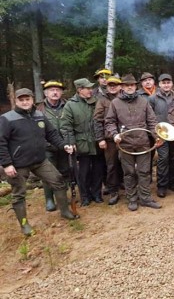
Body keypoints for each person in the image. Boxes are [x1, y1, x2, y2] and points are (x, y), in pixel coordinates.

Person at [1, 88, 77, 236]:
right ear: (16, 101)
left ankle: (65, 211)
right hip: (17, 164)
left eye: (27, 99)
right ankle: (24, 225)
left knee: (58, 181)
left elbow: (51, 134)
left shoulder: (39, 115)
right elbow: (1, 142)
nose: (25, 102)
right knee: (19, 194)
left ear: (32, 99)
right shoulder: (7, 119)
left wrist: (63, 145)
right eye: (21, 100)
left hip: (40, 160)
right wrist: (6, 164)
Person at [105, 74, 163, 211]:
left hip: (143, 143)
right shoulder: (115, 103)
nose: (129, 87)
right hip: (125, 144)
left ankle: (145, 198)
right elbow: (109, 122)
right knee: (129, 172)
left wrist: (157, 137)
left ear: (135, 86)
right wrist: (115, 134)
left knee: (144, 172)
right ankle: (132, 199)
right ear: (122, 87)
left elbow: (152, 121)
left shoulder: (144, 101)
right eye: (126, 85)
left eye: (131, 85)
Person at [61, 78, 105, 206]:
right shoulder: (70, 105)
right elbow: (66, 127)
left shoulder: (96, 102)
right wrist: (71, 142)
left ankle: (97, 194)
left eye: (91, 88)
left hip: (96, 142)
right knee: (83, 173)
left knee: (98, 170)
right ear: (80, 90)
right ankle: (85, 196)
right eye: (88, 88)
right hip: (81, 144)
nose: (91, 90)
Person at [36, 80, 69, 211]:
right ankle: (49, 199)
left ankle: (63, 197)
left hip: (65, 146)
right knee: (48, 174)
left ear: (61, 92)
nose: (55, 93)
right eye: (51, 90)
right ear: (45, 93)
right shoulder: (39, 109)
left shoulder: (67, 105)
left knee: (65, 172)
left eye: (57, 90)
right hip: (47, 148)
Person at [93, 75, 124, 205]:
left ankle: (126, 186)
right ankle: (113, 191)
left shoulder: (125, 98)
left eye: (115, 85)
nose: (112, 87)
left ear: (120, 86)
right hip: (110, 139)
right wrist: (100, 138)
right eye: (110, 85)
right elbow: (97, 120)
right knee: (111, 165)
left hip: (125, 137)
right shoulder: (102, 100)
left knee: (126, 164)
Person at [148, 73, 174, 197]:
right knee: (163, 159)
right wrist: (155, 134)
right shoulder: (152, 98)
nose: (166, 85)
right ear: (159, 84)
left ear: (171, 84)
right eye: (163, 83)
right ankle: (162, 185)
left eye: (168, 82)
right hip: (161, 133)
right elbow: (150, 117)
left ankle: (172, 182)